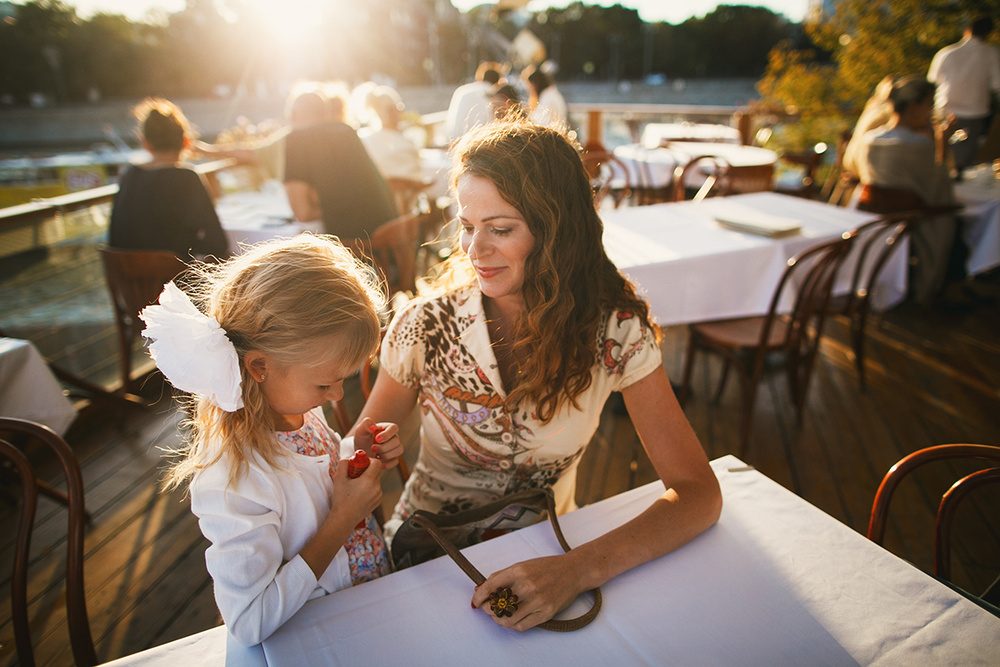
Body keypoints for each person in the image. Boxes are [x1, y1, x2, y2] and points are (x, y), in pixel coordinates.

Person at [352, 119, 723, 631]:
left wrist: (577, 569)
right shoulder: (425, 325)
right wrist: (370, 452)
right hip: (426, 554)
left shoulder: (615, 333)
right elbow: (358, 451)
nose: (473, 249)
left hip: (553, 550)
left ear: (557, 231)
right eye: (466, 225)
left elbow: (698, 492)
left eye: (500, 229)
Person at [141, 234, 404, 645]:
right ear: (260, 366)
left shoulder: (295, 410)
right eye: (324, 383)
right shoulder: (233, 476)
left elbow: (316, 481)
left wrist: (357, 454)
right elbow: (249, 621)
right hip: (325, 637)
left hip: (368, 604)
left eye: (341, 381)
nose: (337, 397)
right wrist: (343, 520)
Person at [854, 76, 962, 306]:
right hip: (911, 217)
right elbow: (940, 186)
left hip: (871, 214)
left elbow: (854, 169)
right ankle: (932, 287)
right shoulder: (920, 146)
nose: (931, 111)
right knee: (952, 218)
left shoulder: (870, 139)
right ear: (915, 107)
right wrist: (940, 138)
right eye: (929, 105)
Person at [109, 97, 229, 260]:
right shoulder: (187, 178)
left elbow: (115, 240)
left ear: (146, 144)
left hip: (128, 282)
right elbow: (218, 243)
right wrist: (187, 246)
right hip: (175, 282)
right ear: (186, 142)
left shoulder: (129, 176)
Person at [282, 88, 398, 242]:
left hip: (355, 251)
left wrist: (321, 204)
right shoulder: (346, 131)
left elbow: (303, 213)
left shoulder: (297, 139)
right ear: (326, 113)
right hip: (387, 241)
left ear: (293, 115)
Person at [928, 16, 1000, 179]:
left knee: (942, 153)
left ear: (967, 30)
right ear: (988, 33)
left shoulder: (946, 53)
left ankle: (941, 185)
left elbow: (932, 82)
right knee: (963, 161)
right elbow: (998, 85)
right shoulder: (991, 54)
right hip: (973, 113)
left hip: (943, 111)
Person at [358, 85, 424, 182]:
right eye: (399, 108)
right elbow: (418, 179)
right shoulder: (407, 145)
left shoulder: (364, 141)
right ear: (393, 111)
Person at [444, 61, 505, 141]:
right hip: (474, 142)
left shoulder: (461, 90)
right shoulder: (491, 93)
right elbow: (492, 122)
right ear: (498, 81)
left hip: (452, 140)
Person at [522, 64, 568, 130]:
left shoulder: (547, 98)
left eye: (529, 86)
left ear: (535, 84)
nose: (528, 90)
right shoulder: (550, 94)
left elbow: (541, 124)